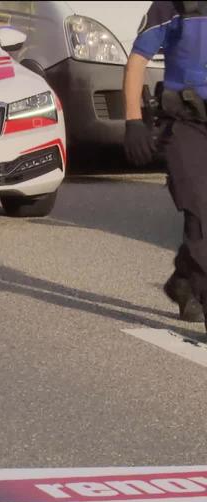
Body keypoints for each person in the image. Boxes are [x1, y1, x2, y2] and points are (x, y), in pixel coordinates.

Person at [124, 1, 207, 325]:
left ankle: (183, 282)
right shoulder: (173, 5)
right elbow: (137, 60)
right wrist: (133, 121)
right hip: (185, 123)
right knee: (200, 211)